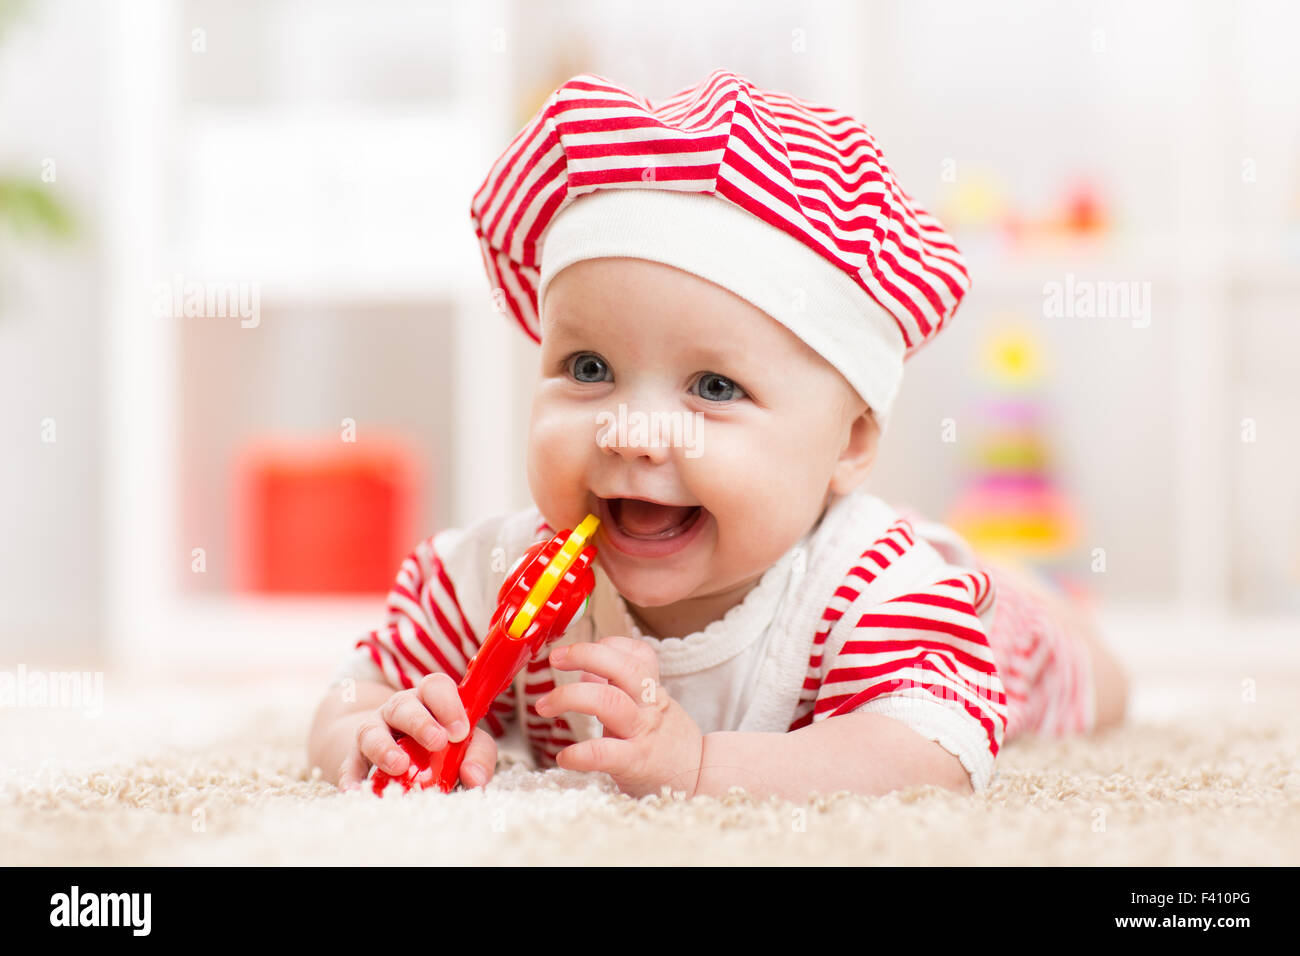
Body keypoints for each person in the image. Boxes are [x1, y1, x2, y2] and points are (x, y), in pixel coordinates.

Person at [306, 69, 1128, 801]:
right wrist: (376, 728)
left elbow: (931, 751)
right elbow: (355, 689)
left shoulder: (873, 590)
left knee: (1091, 678)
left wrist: (699, 767)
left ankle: (1048, 607)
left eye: (714, 387)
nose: (634, 434)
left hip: (993, 639)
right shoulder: (486, 582)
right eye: (589, 368)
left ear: (848, 446)